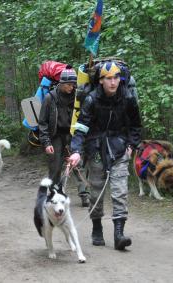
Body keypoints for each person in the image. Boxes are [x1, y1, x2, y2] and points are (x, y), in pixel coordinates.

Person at [68, 61, 142, 250]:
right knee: (96, 192)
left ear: (121, 79)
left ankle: (119, 235)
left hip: (119, 149)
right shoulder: (91, 100)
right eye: (109, 78)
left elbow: (135, 124)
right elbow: (81, 128)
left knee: (120, 191)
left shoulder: (127, 97)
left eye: (116, 77)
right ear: (101, 81)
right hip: (97, 150)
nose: (113, 82)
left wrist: (131, 145)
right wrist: (76, 151)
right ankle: (97, 227)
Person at [38, 67, 91, 207]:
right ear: (61, 83)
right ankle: (54, 194)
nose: (71, 86)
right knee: (55, 167)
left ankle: (84, 195)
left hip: (73, 135)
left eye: (73, 84)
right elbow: (42, 122)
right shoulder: (50, 98)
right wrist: (46, 142)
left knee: (78, 165)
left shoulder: (78, 97)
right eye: (68, 84)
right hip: (55, 136)